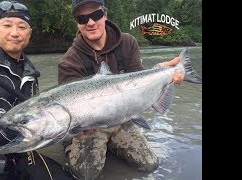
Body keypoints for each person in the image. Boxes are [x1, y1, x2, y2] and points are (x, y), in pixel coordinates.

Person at [58, 0, 184, 179]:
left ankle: (110, 147)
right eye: (83, 18)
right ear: (76, 23)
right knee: (85, 175)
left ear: (105, 14)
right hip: (90, 128)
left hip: (123, 119)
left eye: (96, 15)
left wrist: (159, 73)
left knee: (148, 165)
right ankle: (94, 148)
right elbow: (70, 118)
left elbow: (140, 82)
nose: (91, 22)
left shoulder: (128, 42)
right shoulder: (69, 61)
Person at [0, 1, 74, 179]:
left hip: (21, 150)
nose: (14, 33)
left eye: (22, 27)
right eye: (7, 25)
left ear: (29, 33)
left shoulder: (32, 74)